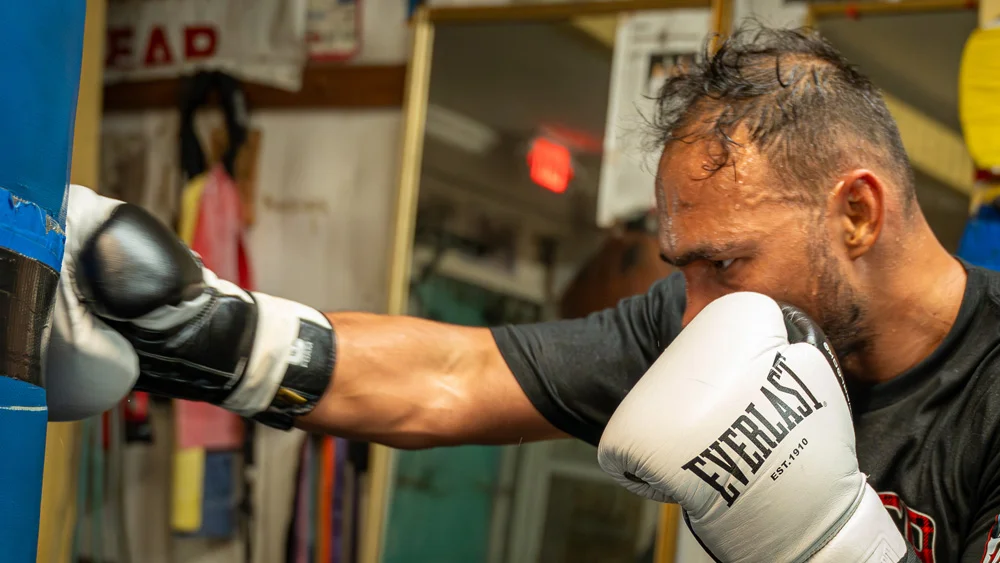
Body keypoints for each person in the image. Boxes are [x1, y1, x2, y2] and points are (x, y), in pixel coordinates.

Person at [44, 24, 1000, 563]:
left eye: (726, 262)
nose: (695, 313)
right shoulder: (709, 323)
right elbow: (456, 377)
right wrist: (211, 334)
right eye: (684, 267)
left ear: (858, 213)